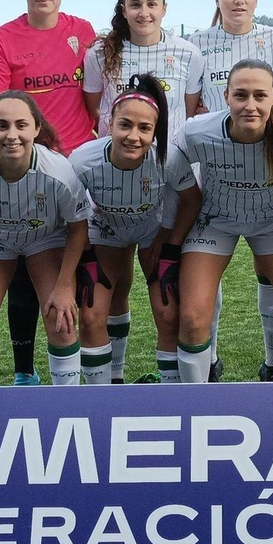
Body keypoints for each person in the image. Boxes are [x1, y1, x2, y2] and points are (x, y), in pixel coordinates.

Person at [0, 0, 96, 385]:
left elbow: (96, 95)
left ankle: (88, 370)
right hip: (24, 165)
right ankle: (25, 372)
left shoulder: (83, 33)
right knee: (24, 267)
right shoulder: (4, 40)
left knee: (77, 274)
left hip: (76, 169)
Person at [165, 60, 273, 382]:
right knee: (193, 318)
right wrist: (169, 241)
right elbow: (172, 173)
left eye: (260, 96)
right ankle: (197, 405)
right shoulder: (197, 132)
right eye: (241, 95)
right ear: (226, 97)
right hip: (214, 220)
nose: (250, 105)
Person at [0, 91, 91, 387]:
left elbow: (78, 228)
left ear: (36, 129)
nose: (12, 135)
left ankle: (67, 409)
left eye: (21, 125)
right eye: (2, 125)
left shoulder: (58, 171)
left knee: (61, 322)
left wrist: (63, 287)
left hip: (44, 239)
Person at [187, 0, 273, 382]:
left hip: (268, 175)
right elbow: (192, 104)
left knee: (269, 272)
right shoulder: (196, 42)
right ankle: (207, 361)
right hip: (217, 170)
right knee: (204, 280)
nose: (239, 0)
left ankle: (272, 363)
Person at [71, 76, 180, 383]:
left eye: (145, 128)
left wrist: (167, 238)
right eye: (125, 125)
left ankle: (172, 397)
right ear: (109, 123)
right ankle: (107, 392)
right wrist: (87, 255)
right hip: (105, 231)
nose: (134, 136)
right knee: (92, 316)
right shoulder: (82, 160)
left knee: (169, 313)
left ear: (155, 131)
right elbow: (71, 215)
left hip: (151, 232)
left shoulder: (168, 159)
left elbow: (190, 197)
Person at [83, 0, 203, 138]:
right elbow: (94, 110)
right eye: (135, 5)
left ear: (164, 8)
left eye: (152, 4)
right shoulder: (99, 54)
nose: (144, 13)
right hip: (117, 156)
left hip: (170, 157)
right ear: (123, 10)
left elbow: (189, 113)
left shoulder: (189, 54)